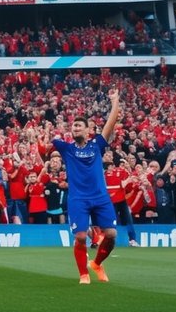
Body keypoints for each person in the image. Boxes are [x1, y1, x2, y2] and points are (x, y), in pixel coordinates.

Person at [50, 87, 122, 284]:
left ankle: (97, 263)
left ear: (89, 130)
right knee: (81, 237)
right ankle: (83, 274)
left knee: (111, 235)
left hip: (100, 196)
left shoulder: (97, 144)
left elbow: (111, 122)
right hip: (78, 198)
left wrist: (115, 100)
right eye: (73, 127)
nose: (75, 129)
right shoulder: (65, 148)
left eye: (79, 126)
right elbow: (44, 142)